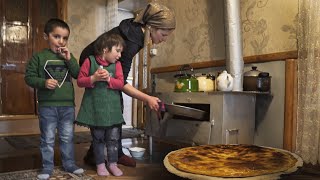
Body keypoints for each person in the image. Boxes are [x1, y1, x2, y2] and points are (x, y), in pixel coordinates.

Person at [80, 2, 176, 167]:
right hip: (93, 65)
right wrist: (147, 98)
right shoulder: (132, 41)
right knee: (109, 108)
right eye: (163, 34)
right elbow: (120, 83)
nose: (164, 39)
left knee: (116, 106)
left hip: (103, 66)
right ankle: (95, 155)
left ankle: (116, 153)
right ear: (152, 27)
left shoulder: (136, 32)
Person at [24, 18, 83, 179]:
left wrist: (69, 59)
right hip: (47, 106)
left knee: (67, 136)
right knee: (48, 138)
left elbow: (78, 75)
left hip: (67, 106)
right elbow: (29, 78)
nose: (61, 41)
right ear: (46, 36)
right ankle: (47, 167)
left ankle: (69, 164)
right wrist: (43, 82)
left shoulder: (68, 57)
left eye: (65, 38)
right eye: (56, 36)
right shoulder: (39, 57)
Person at [75, 33, 125, 176]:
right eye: (117, 50)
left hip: (113, 111)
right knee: (98, 139)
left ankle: (113, 163)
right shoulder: (89, 61)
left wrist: (109, 79)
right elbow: (80, 81)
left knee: (114, 139)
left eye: (121, 51)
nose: (120, 55)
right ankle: (100, 164)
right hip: (95, 110)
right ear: (105, 49)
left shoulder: (117, 65)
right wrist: (94, 78)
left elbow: (120, 83)